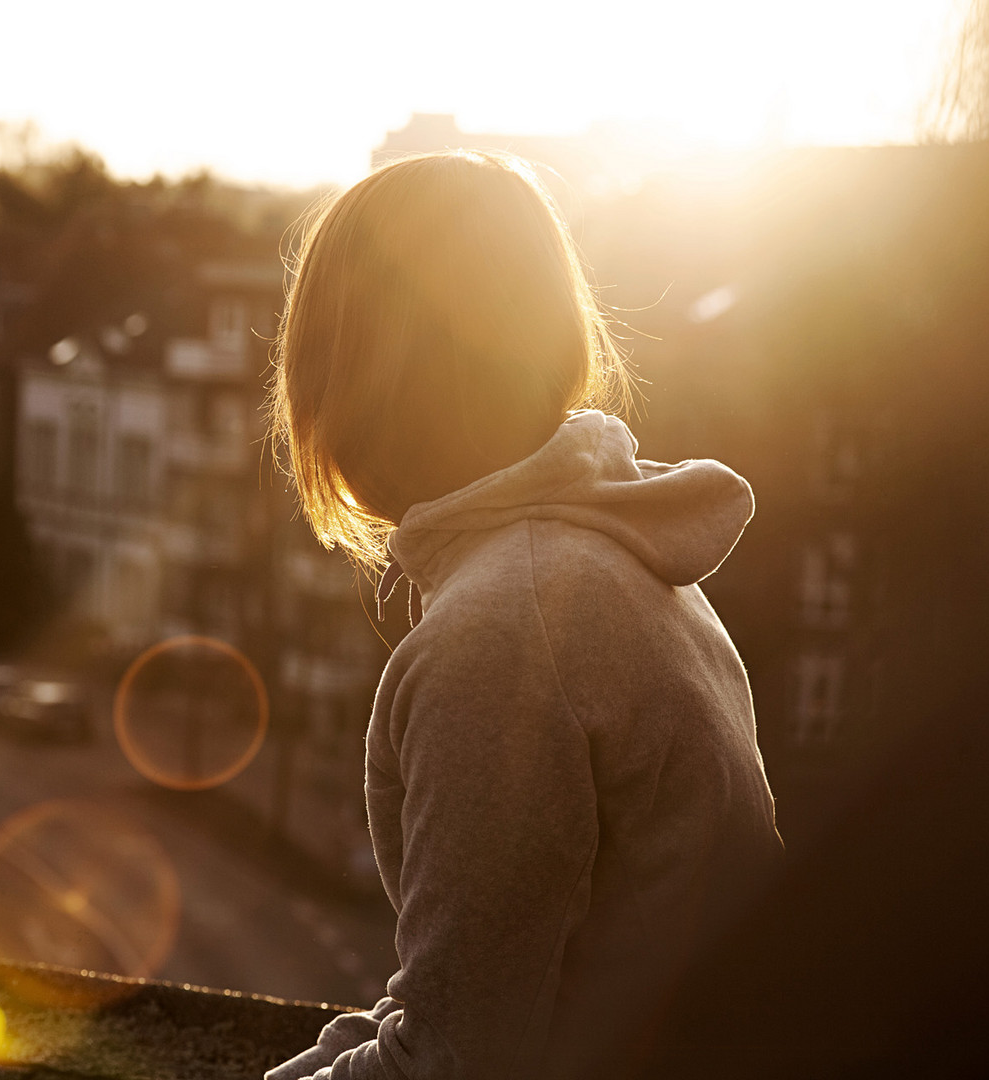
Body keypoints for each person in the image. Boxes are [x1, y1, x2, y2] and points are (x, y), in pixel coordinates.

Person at [263, 150, 784, 1080]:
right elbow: (494, 974)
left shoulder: (503, 636)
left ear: (352, 381)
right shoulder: (614, 555)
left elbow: (458, 1059)